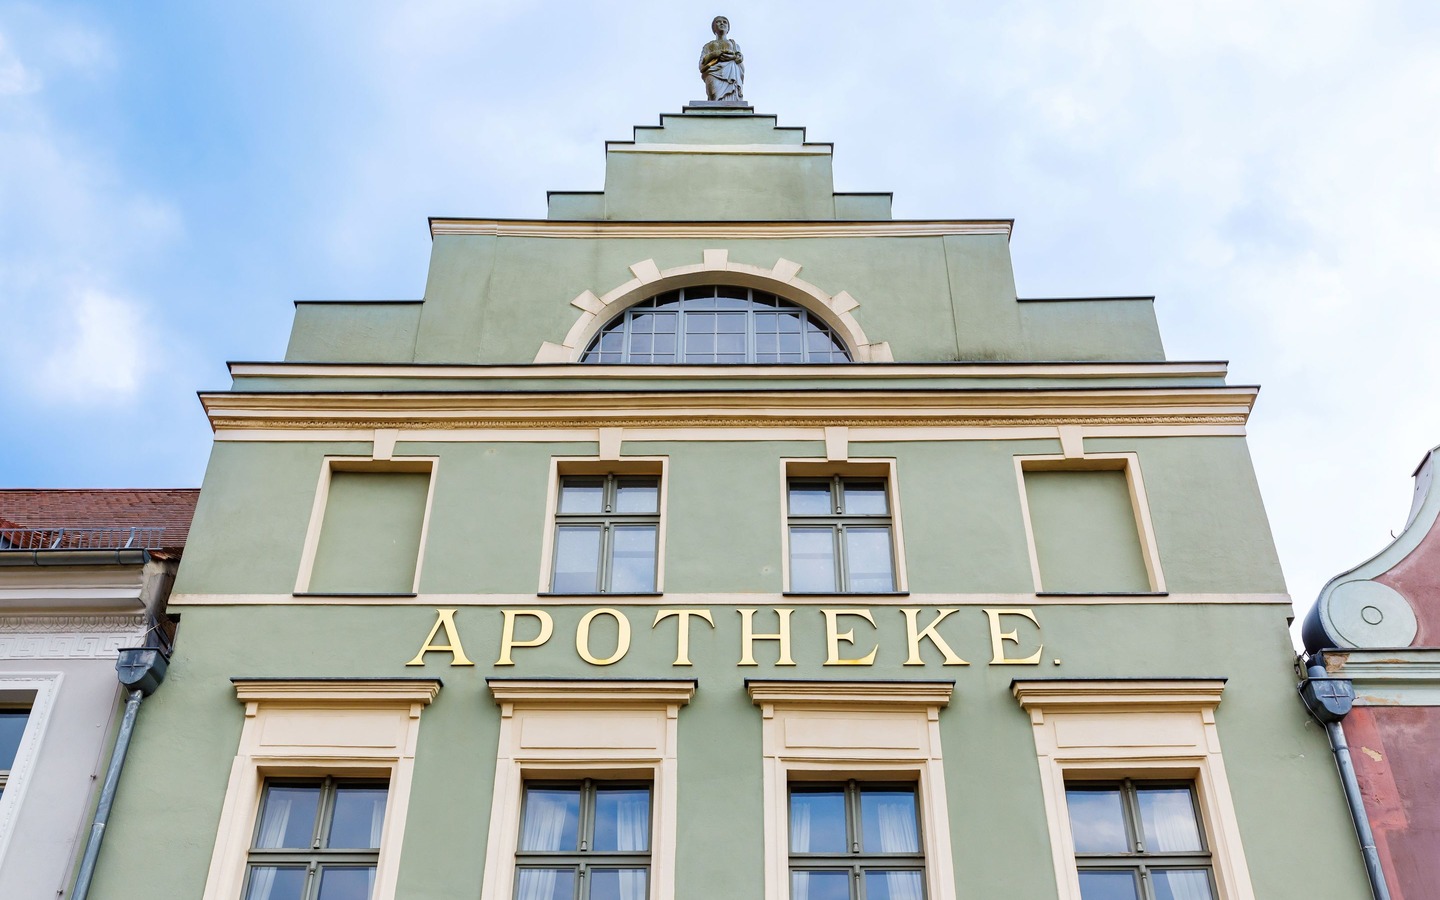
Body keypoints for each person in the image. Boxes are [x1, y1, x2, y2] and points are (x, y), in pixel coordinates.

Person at [699, 16, 744, 101]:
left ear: (728, 29)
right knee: (714, 97)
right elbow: (702, 64)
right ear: (714, 29)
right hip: (713, 72)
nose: (722, 23)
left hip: (731, 71)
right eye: (718, 22)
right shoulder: (708, 46)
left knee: (731, 99)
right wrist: (714, 54)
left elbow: (739, 59)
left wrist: (733, 57)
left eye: (724, 22)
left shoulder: (734, 44)